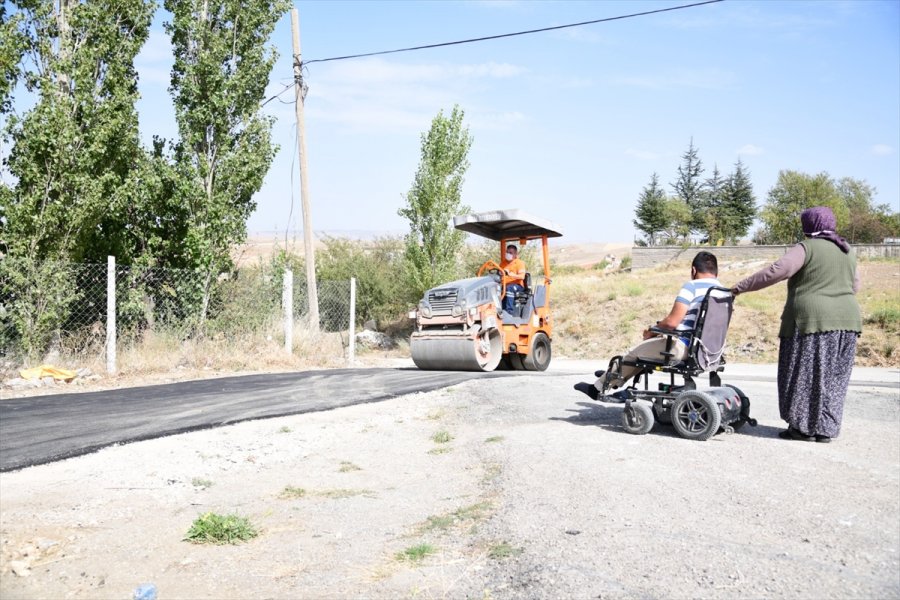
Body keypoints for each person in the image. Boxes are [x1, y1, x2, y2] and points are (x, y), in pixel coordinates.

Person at [731, 206, 861, 443]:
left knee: (803, 375)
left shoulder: (806, 248)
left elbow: (777, 271)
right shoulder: (847, 250)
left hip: (811, 321)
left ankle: (801, 428)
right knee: (834, 379)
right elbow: (854, 287)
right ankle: (824, 429)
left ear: (808, 225)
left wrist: (740, 286)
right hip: (849, 322)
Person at [575, 251, 724, 400]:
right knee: (643, 352)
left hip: (683, 348)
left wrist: (652, 332)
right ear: (715, 271)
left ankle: (597, 388)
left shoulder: (692, 287)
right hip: (710, 351)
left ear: (693, 270)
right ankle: (614, 375)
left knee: (633, 354)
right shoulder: (723, 292)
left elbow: (672, 322)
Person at [499, 244, 527, 315]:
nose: (508, 254)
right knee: (494, 289)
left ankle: (509, 312)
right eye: (507, 252)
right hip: (504, 284)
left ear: (515, 254)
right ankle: (498, 311)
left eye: (510, 253)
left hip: (517, 285)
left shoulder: (519, 263)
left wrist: (511, 274)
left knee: (509, 288)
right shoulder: (503, 263)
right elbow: (499, 272)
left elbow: (522, 276)